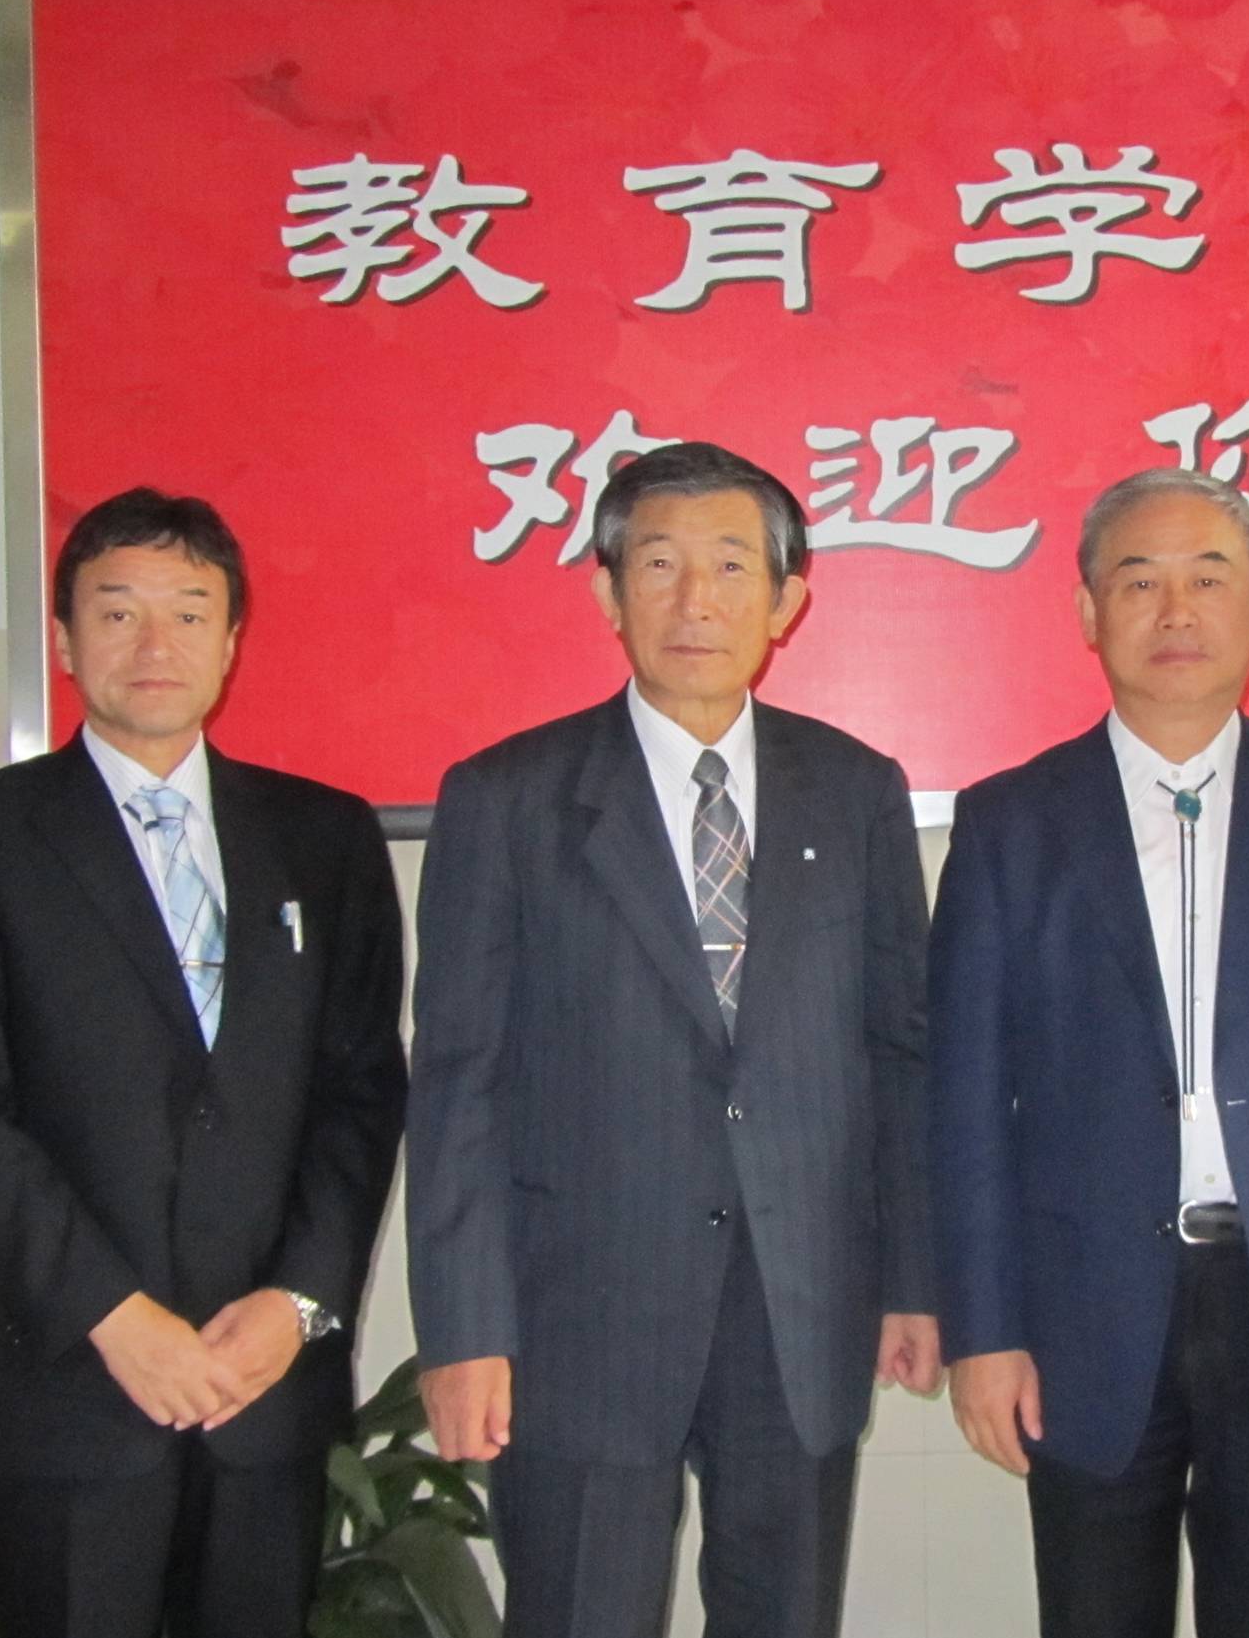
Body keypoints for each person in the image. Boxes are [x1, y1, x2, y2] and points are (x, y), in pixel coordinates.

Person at [408, 441, 939, 1638]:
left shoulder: (855, 788)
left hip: (800, 1308)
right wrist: (463, 1329)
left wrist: (915, 1277)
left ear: (786, 601)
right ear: (608, 591)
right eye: (659, 564)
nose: (697, 599)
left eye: (732, 565)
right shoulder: (506, 797)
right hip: (579, 1321)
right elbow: (457, 1081)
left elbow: (899, 1052)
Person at [926, 468, 1249, 1638]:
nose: (1175, 610)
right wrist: (984, 1329)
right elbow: (962, 1102)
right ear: (1088, 612)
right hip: (1082, 1311)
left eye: (1209, 578)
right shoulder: (1010, 822)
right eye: (1139, 580)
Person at [0, 488, 408, 1637]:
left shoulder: (323, 838)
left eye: (188, 611)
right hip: (66, 1389)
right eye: (117, 612)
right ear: (66, 640)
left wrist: (298, 1301)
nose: (154, 642)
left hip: (259, 1384)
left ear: (231, 639)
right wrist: (114, 1316)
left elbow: (361, 1091)